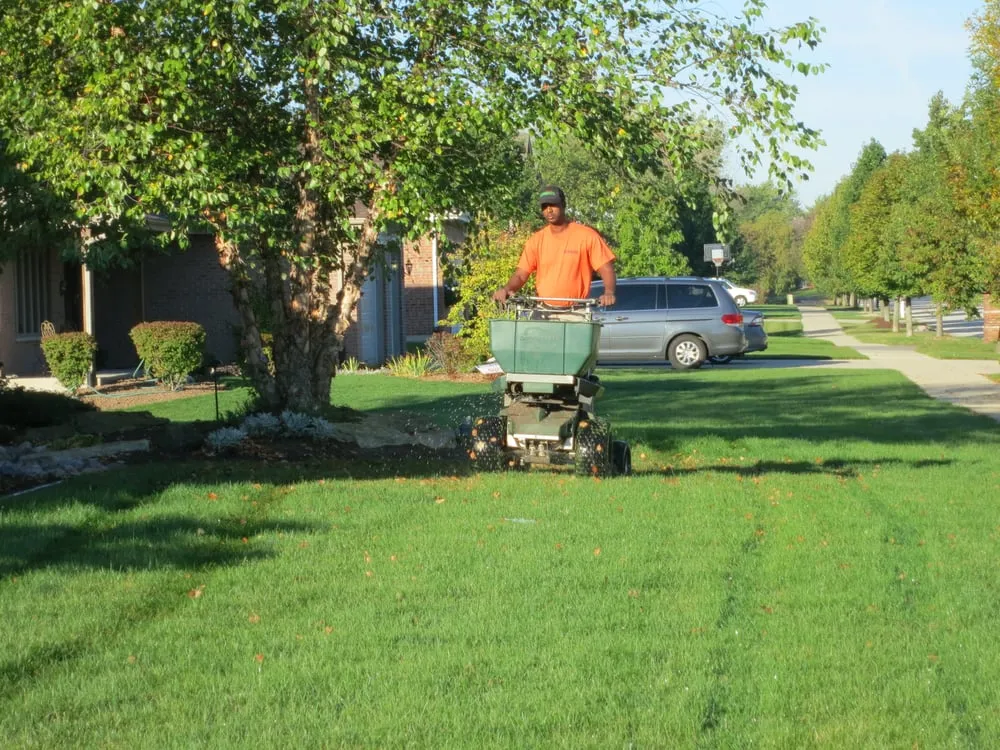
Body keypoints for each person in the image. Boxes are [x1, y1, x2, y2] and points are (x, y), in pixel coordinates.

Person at [493, 186, 617, 308]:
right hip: (543, 311)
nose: (549, 210)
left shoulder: (587, 236)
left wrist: (609, 293)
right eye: (545, 207)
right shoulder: (536, 240)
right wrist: (506, 289)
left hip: (576, 312)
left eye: (553, 205)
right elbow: (521, 275)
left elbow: (606, 268)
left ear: (563, 205)